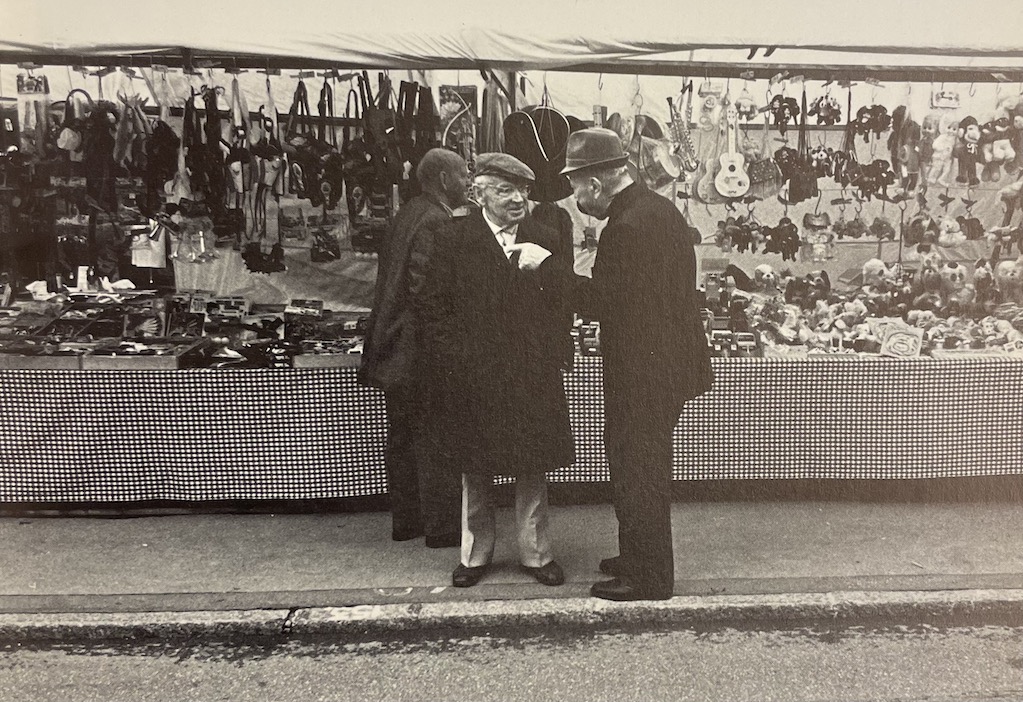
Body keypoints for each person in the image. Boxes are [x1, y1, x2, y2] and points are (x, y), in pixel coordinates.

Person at [509, 127, 714, 601]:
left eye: (576, 187)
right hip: (663, 364)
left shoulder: (626, 228)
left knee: (637, 468)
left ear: (596, 184)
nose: (575, 197)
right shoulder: (656, 209)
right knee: (638, 464)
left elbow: (600, 301)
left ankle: (649, 577)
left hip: (646, 371)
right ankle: (637, 556)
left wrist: (545, 265)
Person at [417, 152, 575, 588]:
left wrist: (551, 347)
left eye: (523, 190)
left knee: (532, 463)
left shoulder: (547, 237)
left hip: (530, 370)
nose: (517, 199)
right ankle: (474, 555)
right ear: (479, 194)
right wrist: (452, 360)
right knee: (474, 464)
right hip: (474, 371)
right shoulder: (452, 238)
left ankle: (536, 555)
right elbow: (432, 306)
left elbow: (564, 303)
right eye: (505, 190)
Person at [358, 148, 470, 548]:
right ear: (444, 179)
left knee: (403, 435)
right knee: (436, 437)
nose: (468, 180)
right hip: (418, 350)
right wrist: (448, 347)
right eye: (463, 173)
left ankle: (407, 521)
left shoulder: (407, 213)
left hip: (394, 346)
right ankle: (442, 528)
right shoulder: (436, 221)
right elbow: (426, 293)